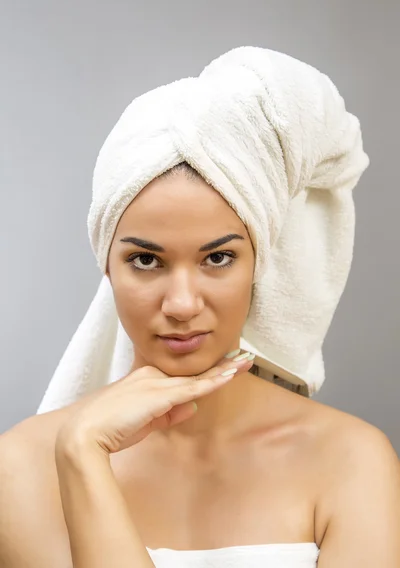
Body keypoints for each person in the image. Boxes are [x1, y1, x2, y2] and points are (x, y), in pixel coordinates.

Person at [0, 47, 399, 568]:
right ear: (106, 266)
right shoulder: (26, 465)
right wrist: (82, 455)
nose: (182, 304)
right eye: (145, 260)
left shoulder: (351, 459)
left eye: (218, 257)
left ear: (259, 264)